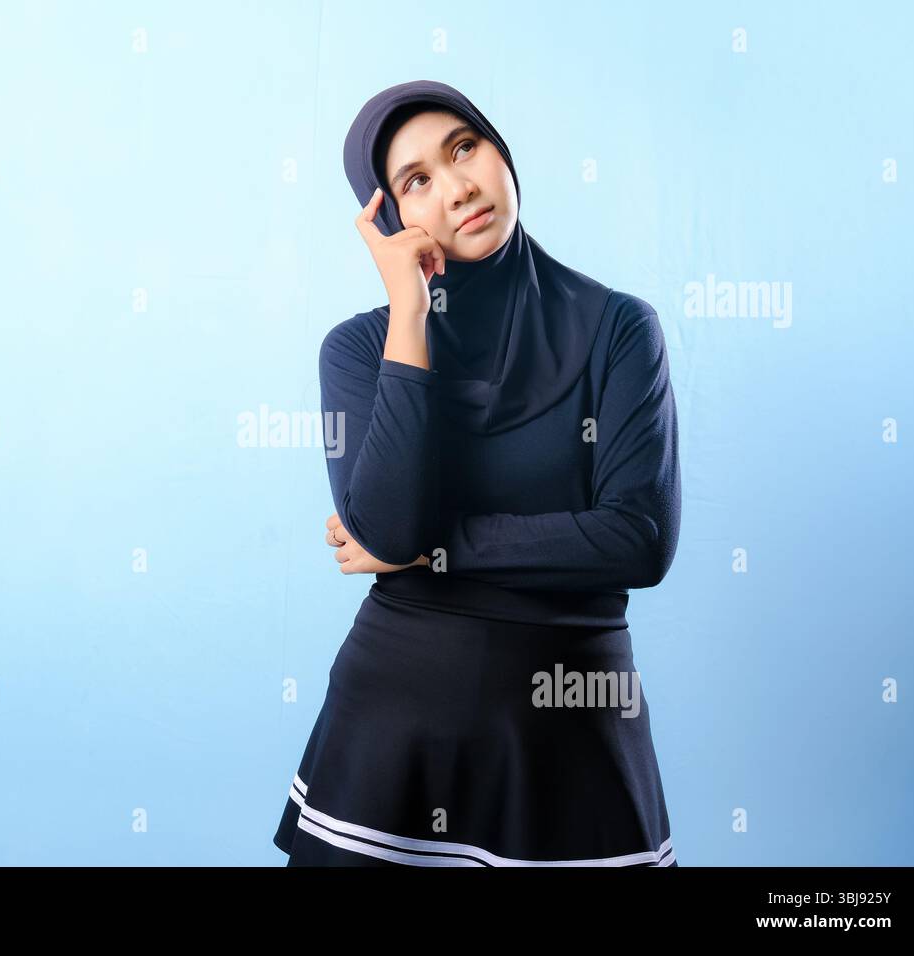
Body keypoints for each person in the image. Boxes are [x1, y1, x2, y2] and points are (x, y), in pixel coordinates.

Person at [273, 80, 682, 866]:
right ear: (390, 218)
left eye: (465, 148)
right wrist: (409, 315)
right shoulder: (360, 350)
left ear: (501, 152)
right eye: (416, 181)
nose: (457, 186)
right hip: (393, 731)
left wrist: (433, 550)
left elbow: (639, 540)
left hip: (576, 730)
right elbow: (384, 525)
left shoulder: (620, 329)